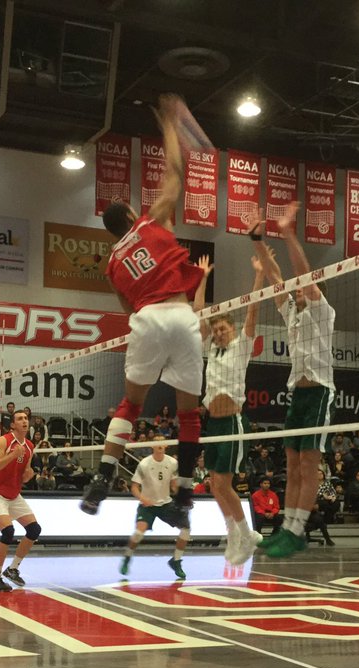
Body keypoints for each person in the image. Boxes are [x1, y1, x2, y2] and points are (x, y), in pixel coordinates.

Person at [82, 94, 205, 516]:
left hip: (147, 318)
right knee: (189, 413)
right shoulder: (150, 221)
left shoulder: (112, 265)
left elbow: (129, 308)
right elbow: (175, 173)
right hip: (182, 315)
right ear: (132, 214)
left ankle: (103, 476)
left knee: (132, 404)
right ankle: (184, 491)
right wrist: (170, 125)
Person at [254, 200, 337, 559]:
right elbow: (276, 278)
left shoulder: (321, 309)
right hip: (297, 395)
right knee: (289, 465)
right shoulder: (292, 311)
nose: (298, 289)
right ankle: (286, 529)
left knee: (307, 465)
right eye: (297, 288)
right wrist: (257, 241)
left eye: (303, 287)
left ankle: (298, 528)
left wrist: (288, 234)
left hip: (319, 392)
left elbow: (302, 274)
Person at [196, 244, 265, 565]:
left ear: (233, 330)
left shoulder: (241, 346)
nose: (219, 333)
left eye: (223, 329)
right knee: (214, 485)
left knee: (223, 483)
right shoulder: (211, 349)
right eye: (216, 330)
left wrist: (259, 275)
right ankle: (234, 533)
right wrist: (202, 278)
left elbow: (253, 310)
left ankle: (246, 533)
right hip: (213, 423)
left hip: (233, 421)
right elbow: (199, 313)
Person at [0, 410, 40, 592]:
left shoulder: (29, 446)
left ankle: (13, 568)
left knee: (34, 529)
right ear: (13, 425)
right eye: (20, 419)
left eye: (26, 419)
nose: (24, 421)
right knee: (8, 531)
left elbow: (23, 476)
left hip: (13, 494)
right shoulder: (3, 441)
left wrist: (28, 475)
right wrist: (12, 455)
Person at [120, 443, 190, 579]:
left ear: (166, 446)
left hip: (166, 504)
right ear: (152, 446)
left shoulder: (172, 462)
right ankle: (127, 557)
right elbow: (134, 487)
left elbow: (174, 485)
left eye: (162, 442)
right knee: (138, 533)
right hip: (148, 505)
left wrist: (183, 498)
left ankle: (176, 560)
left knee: (186, 530)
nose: (159, 445)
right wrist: (143, 499)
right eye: (156, 442)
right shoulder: (144, 464)